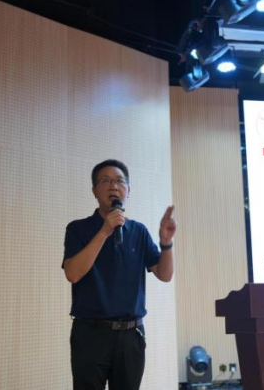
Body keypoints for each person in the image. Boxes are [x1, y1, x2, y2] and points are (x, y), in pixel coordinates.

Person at [62, 159, 176, 390]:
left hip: (131, 335)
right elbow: (73, 274)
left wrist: (166, 243)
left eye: (120, 181)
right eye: (105, 180)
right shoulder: (78, 229)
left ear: (128, 190)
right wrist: (105, 231)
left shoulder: (139, 231)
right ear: (94, 190)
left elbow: (164, 275)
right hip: (90, 333)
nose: (114, 186)